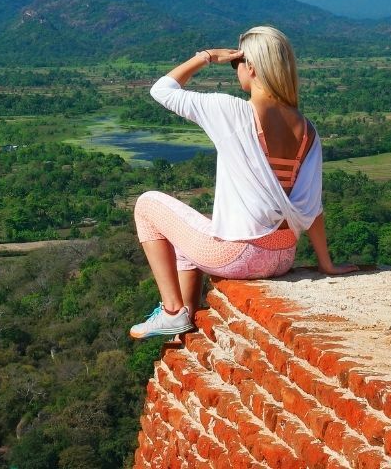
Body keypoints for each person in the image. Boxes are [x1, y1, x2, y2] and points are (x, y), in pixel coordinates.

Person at [129, 25, 357, 339]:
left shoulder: (231, 111)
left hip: (241, 258)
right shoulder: (307, 129)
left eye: (237, 63)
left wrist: (206, 57)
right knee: (185, 239)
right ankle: (186, 323)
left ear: (250, 66)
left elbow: (162, 90)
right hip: (282, 256)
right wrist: (326, 264)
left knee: (146, 205)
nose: (236, 70)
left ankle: (171, 310)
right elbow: (311, 204)